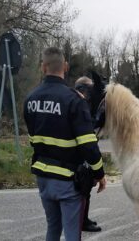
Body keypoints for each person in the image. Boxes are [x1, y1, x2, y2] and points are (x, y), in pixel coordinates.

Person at [24, 47, 106, 241]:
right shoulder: (74, 100)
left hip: (43, 177)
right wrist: (100, 173)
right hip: (68, 180)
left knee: (52, 227)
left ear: (43, 68)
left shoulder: (30, 99)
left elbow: (32, 140)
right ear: (66, 67)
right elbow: (88, 145)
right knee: (72, 233)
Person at [75, 76, 102, 232]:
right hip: (81, 154)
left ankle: (84, 219)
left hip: (84, 153)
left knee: (87, 189)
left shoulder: (84, 103)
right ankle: (80, 222)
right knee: (82, 189)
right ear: (83, 89)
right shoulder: (79, 104)